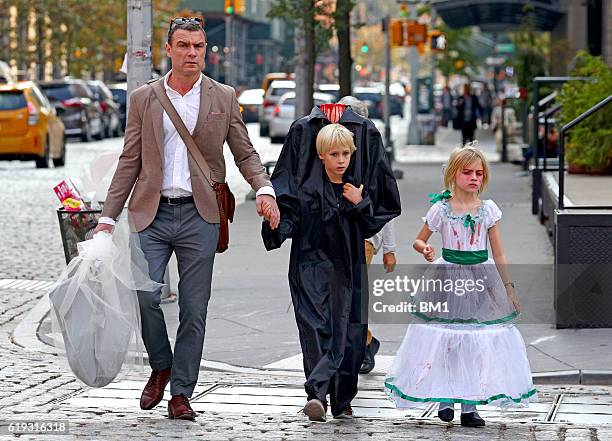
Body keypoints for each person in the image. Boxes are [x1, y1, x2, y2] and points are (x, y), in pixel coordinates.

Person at [94, 17, 280, 421]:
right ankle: (162, 364)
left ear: (206, 50)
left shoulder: (223, 97)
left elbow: (245, 152)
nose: (192, 53)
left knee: (195, 309)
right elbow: (130, 160)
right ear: (170, 49)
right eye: (184, 45)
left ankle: (181, 392)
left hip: (201, 216)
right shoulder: (145, 99)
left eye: (198, 46)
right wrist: (108, 217)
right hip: (151, 214)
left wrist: (264, 189)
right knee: (145, 295)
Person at [385, 144, 536, 427]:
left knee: (476, 340)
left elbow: (499, 252)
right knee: (446, 337)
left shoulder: (488, 210)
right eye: (467, 172)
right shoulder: (441, 209)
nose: (474, 178)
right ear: (454, 175)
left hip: (481, 276)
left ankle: (469, 406)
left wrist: (508, 288)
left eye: (479, 173)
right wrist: (425, 250)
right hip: (447, 276)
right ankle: (445, 397)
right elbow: (420, 239)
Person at [263, 122, 399, 422]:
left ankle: (340, 399)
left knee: (347, 335)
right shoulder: (306, 191)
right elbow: (289, 223)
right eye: (334, 154)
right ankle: (317, 394)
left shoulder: (354, 189)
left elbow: (372, 225)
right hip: (309, 267)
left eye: (346, 154)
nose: (341, 160)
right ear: (321, 155)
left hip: (347, 270)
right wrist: (274, 222)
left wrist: (360, 203)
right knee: (315, 331)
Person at [337, 95, 397, 375]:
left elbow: (385, 206)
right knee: (342, 296)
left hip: (365, 239)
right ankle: (364, 342)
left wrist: (389, 247)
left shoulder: (371, 153)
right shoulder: (337, 150)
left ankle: (364, 342)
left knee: (350, 296)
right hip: (339, 234)